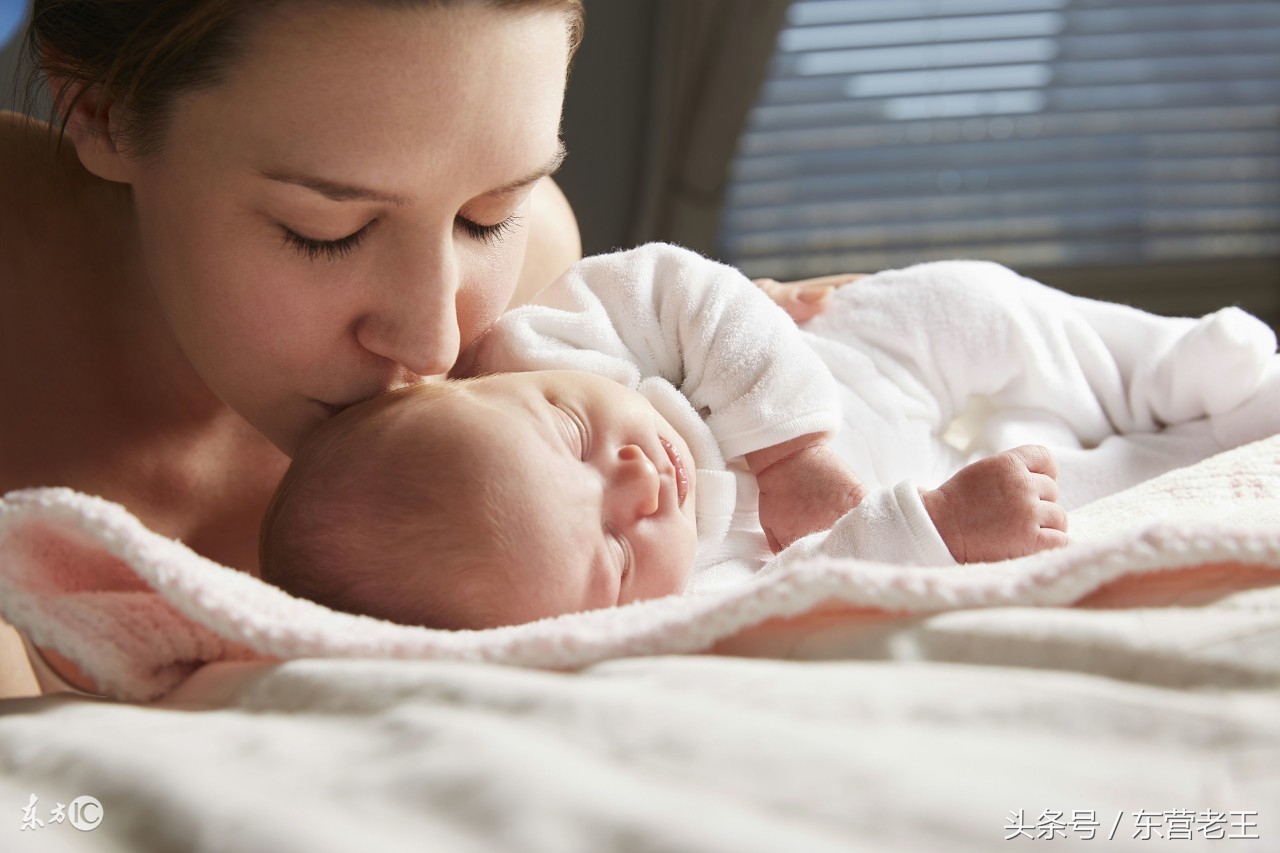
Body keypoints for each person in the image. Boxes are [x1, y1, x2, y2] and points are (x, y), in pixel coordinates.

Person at [0, 1, 862, 698]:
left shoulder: (549, 283)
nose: (436, 341)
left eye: (490, 215)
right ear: (102, 112)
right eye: (327, 231)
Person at [258, 244, 1278, 630]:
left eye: (567, 431)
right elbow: (795, 595)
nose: (637, 480)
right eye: (610, 555)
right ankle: (1210, 445)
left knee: (968, 304)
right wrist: (928, 529)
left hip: (846, 367)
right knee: (1055, 502)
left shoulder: (543, 338)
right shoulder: (674, 609)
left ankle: (1160, 368)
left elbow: (684, 289)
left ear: (464, 382)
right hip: (916, 481)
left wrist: (789, 452)